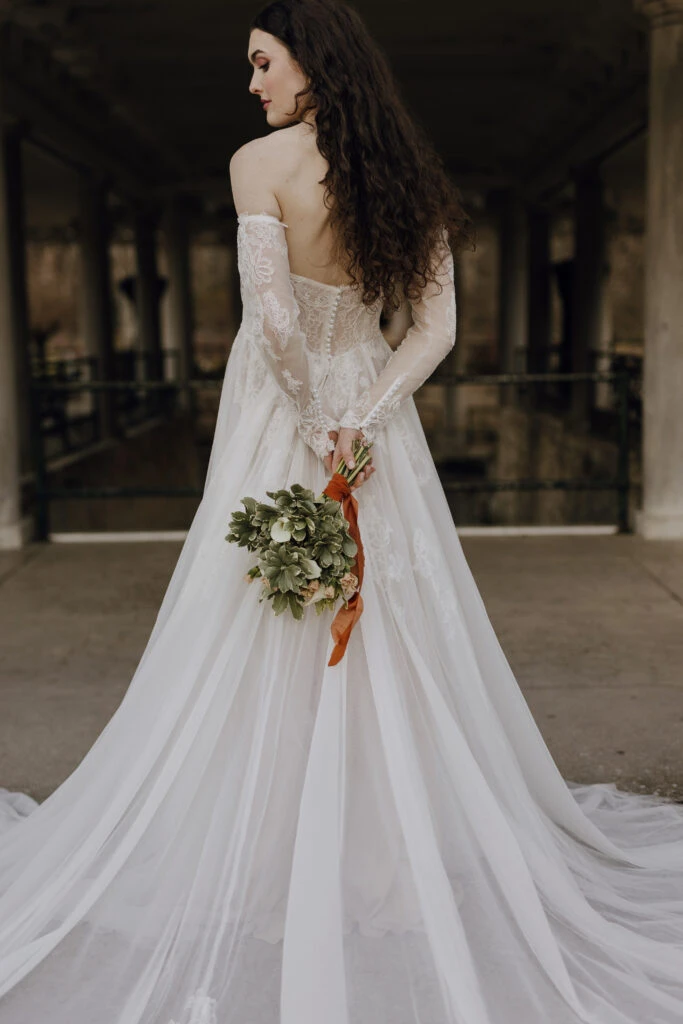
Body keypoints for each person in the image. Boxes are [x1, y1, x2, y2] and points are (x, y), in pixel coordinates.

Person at [2, 1, 683, 1021]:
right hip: (378, 419)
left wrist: (320, 422)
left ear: (311, 65)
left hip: (286, 418)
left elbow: (274, 321)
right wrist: (363, 416)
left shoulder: (257, 164)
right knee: (389, 627)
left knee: (262, 615)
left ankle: (277, 849)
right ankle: (374, 854)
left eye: (261, 62)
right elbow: (438, 329)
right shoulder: (406, 172)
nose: (252, 83)